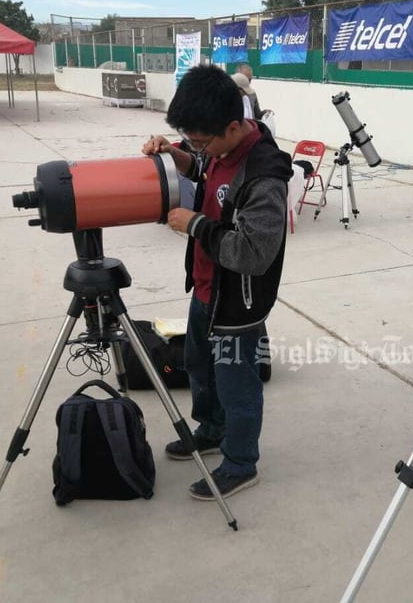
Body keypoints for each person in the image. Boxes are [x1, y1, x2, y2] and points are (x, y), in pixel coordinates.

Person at [141, 65, 292, 500]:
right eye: (190, 138)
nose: (198, 148)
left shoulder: (265, 175)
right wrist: (177, 154)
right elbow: (205, 167)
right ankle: (211, 430)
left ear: (232, 125)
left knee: (236, 384)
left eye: (200, 140)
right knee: (199, 365)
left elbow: (253, 254)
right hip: (207, 288)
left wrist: (196, 226)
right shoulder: (223, 146)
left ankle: (241, 462)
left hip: (238, 305)